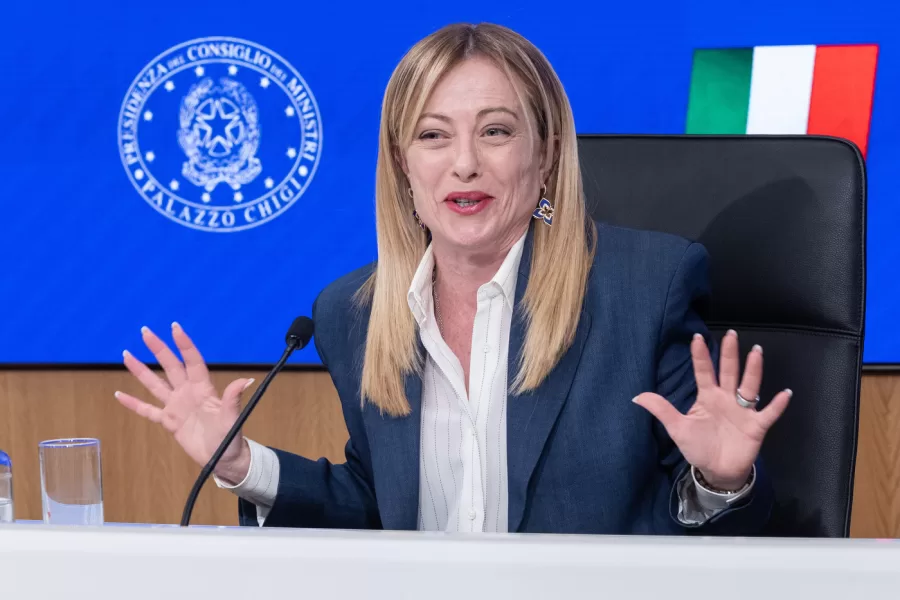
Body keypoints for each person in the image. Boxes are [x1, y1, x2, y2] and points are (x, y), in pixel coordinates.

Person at [116, 22, 791, 534]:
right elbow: (384, 509)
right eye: (434, 136)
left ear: (548, 153)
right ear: (402, 165)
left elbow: (694, 527)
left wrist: (719, 477)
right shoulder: (354, 313)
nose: (464, 164)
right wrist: (241, 465)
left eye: (496, 131)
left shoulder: (643, 286)